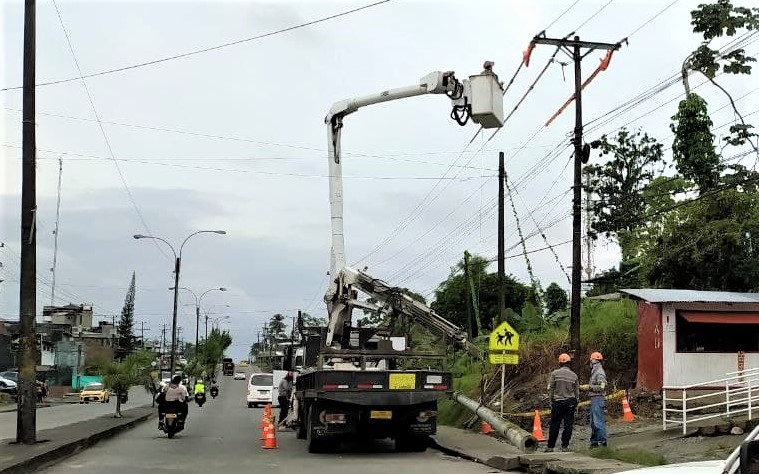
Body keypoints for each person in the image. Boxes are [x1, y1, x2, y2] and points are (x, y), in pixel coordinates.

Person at [545, 353, 579, 452]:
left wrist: (551, 400)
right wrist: (576, 403)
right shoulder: (574, 375)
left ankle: (550, 447)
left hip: (558, 402)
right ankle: (565, 446)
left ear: (560, 363)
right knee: (568, 425)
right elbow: (576, 392)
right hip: (570, 403)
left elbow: (551, 388)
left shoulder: (555, 373)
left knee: (555, 424)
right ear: (569, 363)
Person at [580, 351, 608, 448]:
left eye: (591, 361)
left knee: (597, 421)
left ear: (594, 361)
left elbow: (602, 386)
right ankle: (595, 441)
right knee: (593, 422)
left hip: (598, 398)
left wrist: (590, 387)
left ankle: (602, 441)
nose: (590, 364)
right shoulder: (595, 371)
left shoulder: (599, 372)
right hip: (594, 399)